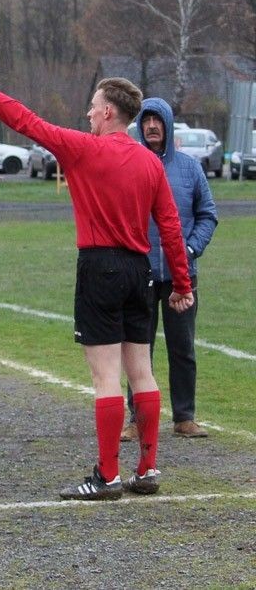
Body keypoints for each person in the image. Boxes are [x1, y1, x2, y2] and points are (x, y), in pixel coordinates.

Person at [0, 53, 194, 501]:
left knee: (105, 378)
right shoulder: (152, 163)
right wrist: (182, 285)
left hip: (100, 268)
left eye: (93, 108)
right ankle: (148, 468)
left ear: (109, 112)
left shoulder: (84, 148)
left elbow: (24, 120)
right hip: (140, 273)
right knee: (144, 373)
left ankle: (108, 476)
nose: (89, 114)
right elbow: (170, 227)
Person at [120, 98, 217, 442]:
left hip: (181, 275)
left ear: (169, 125)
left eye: (158, 121)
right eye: (146, 121)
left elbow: (207, 215)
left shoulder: (190, 169)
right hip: (140, 274)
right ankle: (137, 419)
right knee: (137, 348)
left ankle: (184, 417)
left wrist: (189, 250)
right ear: (139, 126)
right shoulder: (131, 164)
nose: (152, 127)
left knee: (182, 346)